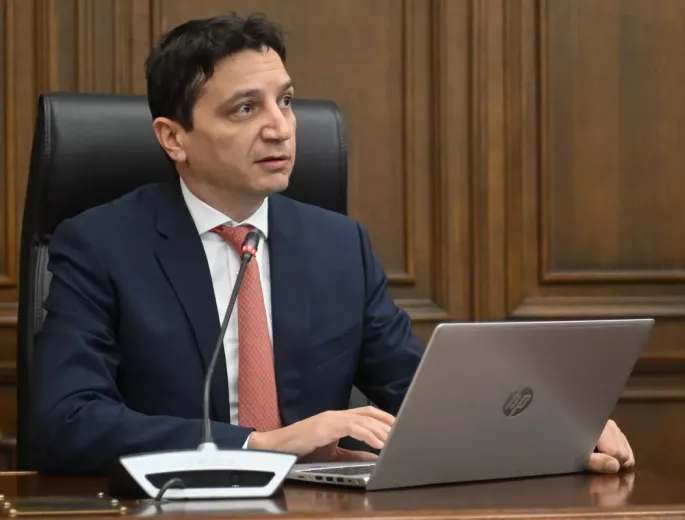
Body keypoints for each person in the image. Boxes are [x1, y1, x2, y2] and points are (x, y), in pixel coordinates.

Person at [31, 12, 635, 476]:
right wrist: (260, 445)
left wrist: (555, 432)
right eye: (245, 109)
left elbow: (423, 396)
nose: (279, 127)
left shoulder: (338, 246)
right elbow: (65, 422)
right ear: (173, 138)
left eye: (285, 101)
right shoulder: (102, 245)